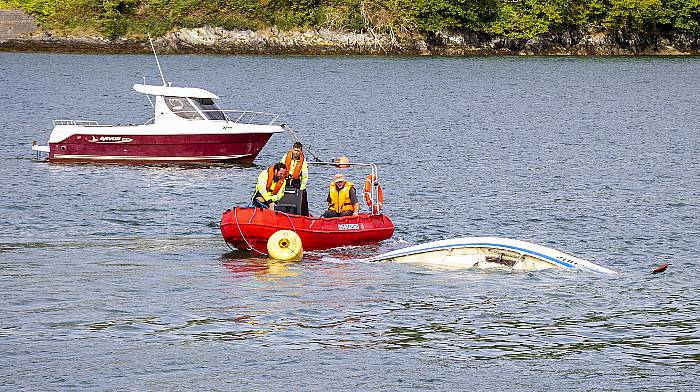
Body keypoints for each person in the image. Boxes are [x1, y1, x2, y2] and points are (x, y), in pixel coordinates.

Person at [279, 142, 309, 215]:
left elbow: (305, 177)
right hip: (285, 181)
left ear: (301, 151)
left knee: (302, 199)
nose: (296, 152)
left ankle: (301, 215)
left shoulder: (303, 162)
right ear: (292, 149)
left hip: (296, 182)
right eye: (295, 150)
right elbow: (280, 170)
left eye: (298, 151)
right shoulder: (285, 157)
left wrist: (302, 189)